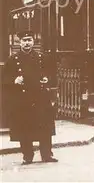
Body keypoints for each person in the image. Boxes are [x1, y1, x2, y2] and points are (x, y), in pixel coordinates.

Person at [3, 30, 58, 165]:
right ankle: (27, 155)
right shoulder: (12, 60)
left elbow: (52, 73)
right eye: (24, 40)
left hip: (40, 98)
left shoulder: (41, 57)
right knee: (24, 127)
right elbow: (3, 79)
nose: (27, 43)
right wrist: (14, 81)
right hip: (22, 99)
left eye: (29, 40)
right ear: (19, 42)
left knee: (44, 127)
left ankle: (46, 154)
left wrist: (47, 79)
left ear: (33, 42)